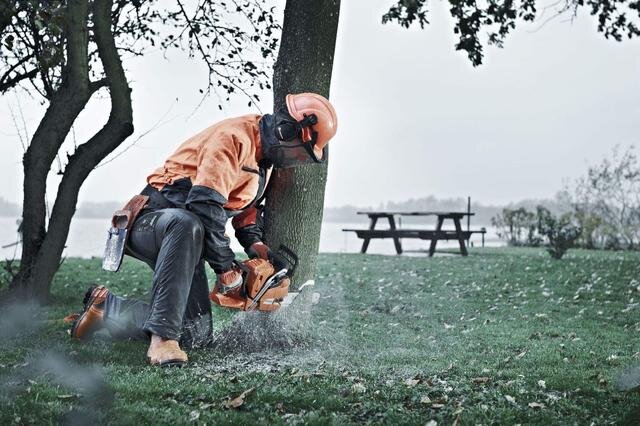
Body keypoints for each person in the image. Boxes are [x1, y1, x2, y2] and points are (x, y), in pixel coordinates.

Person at [69, 93, 338, 366]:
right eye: (298, 153)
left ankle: (107, 308)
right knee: (187, 223)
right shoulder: (233, 138)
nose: (295, 161)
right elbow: (203, 205)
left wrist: (257, 248)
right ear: (287, 130)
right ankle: (162, 341)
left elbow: (243, 211)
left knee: (195, 334)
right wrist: (227, 270)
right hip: (152, 221)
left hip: (188, 236)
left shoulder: (262, 162)